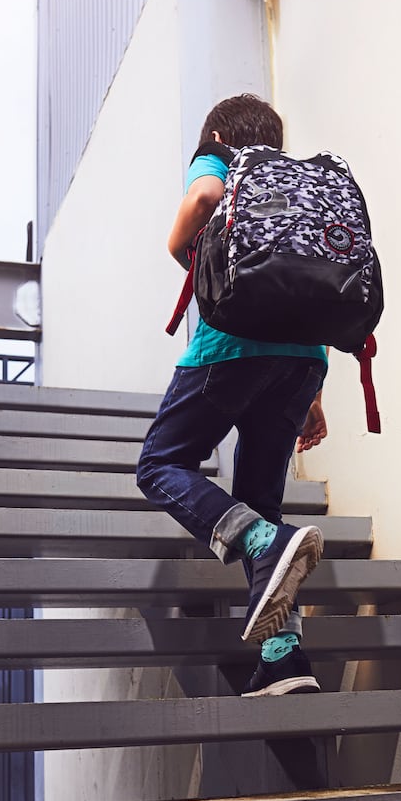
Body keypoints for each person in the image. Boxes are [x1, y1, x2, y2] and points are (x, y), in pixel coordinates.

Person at [136, 93, 328, 696]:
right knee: (261, 499)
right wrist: (314, 395)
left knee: (160, 464)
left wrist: (176, 247)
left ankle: (262, 542)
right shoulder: (295, 185)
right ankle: (283, 658)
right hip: (302, 361)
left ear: (218, 132)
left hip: (232, 349)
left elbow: (203, 198)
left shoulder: (220, 157)